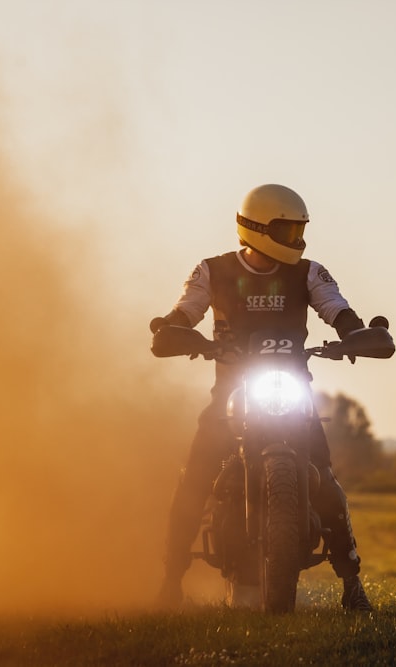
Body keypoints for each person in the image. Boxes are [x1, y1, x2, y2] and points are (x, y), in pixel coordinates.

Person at [150, 183, 374, 612]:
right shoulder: (212, 271)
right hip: (230, 397)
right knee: (194, 482)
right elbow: (188, 308)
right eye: (287, 231)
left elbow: (335, 306)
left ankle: (352, 584)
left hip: (292, 394)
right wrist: (172, 326)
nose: (297, 240)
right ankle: (170, 579)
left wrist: (355, 333)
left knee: (325, 483)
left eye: (298, 231)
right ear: (256, 228)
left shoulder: (308, 272)